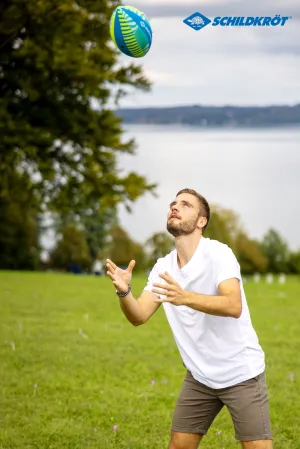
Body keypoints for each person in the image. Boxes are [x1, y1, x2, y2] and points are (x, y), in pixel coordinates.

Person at [106, 188, 272, 449]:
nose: (175, 207)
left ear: (201, 221)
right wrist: (123, 290)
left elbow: (233, 304)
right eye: (173, 203)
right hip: (200, 376)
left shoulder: (219, 254)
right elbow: (138, 316)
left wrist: (185, 297)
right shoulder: (164, 267)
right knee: (179, 446)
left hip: (241, 372)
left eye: (185, 205)